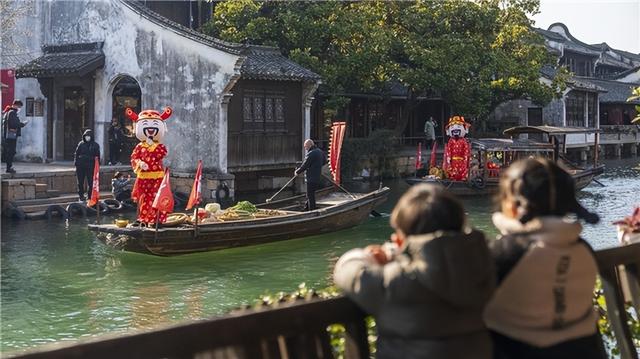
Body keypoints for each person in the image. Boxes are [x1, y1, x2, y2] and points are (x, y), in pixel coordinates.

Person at [334, 184, 496, 359]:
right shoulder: (485, 267)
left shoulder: (399, 282)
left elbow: (347, 269)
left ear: (403, 238)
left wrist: (382, 255)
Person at [484, 158, 606, 359]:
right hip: (584, 350)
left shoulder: (506, 252)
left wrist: (504, 224)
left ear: (513, 207)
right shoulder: (583, 249)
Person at [294, 139, 325, 211]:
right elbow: (324, 162)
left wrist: (297, 172)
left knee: (310, 194)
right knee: (310, 193)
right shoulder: (320, 151)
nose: (305, 148)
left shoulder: (311, 153)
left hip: (311, 177)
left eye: (306, 146)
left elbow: (305, 165)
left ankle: (312, 210)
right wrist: (316, 166)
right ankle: (306, 208)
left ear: (310, 145)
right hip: (317, 176)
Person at [74, 129, 100, 201]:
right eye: (86, 136)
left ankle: (89, 196)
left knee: (90, 182)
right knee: (80, 182)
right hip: (81, 166)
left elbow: (97, 157)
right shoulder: (81, 144)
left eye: (89, 136)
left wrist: (97, 166)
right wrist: (76, 163)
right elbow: (76, 154)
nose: (87, 137)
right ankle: (81, 195)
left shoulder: (95, 145)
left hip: (90, 166)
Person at [2, 100, 28, 173]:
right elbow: (14, 124)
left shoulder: (8, 112)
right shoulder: (12, 113)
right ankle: (9, 167)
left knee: (10, 151)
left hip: (8, 136)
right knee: (11, 151)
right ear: (16, 105)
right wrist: (23, 124)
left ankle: (9, 167)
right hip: (11, 136)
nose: (19, 108)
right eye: (19, 106)